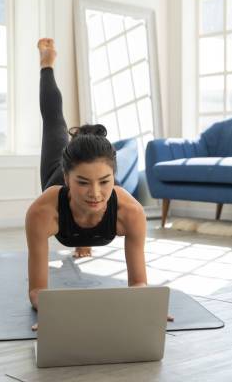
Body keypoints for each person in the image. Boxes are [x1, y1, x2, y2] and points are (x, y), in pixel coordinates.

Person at [26, 39, 168, 328]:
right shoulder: (43, 212)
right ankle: (46, 63)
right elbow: (37, 290)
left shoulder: (130, 212)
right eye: (82, 183)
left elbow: (138, 282)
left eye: (105, 181)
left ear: (113, 178)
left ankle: (83, 240)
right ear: (67, 179)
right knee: (54, 121)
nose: (95, 193)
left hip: (93, 212)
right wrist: (51, 311)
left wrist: (145, 305)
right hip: (59, 183)